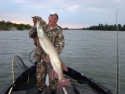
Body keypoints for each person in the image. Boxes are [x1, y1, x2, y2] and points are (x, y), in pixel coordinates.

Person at [29, 13, 67, 94]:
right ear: (48, 18)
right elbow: (31, 34)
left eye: (55, 18)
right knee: (39, 77)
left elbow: (61, 45)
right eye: (51, 17)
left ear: (57, 20)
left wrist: (51, 53)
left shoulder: (58, 31)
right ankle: (42, 90)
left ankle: (53, 91)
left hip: (52, 59)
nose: (53, 19)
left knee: (53, 79)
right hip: (41, 57)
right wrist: (36, 23)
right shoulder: (43, 28)